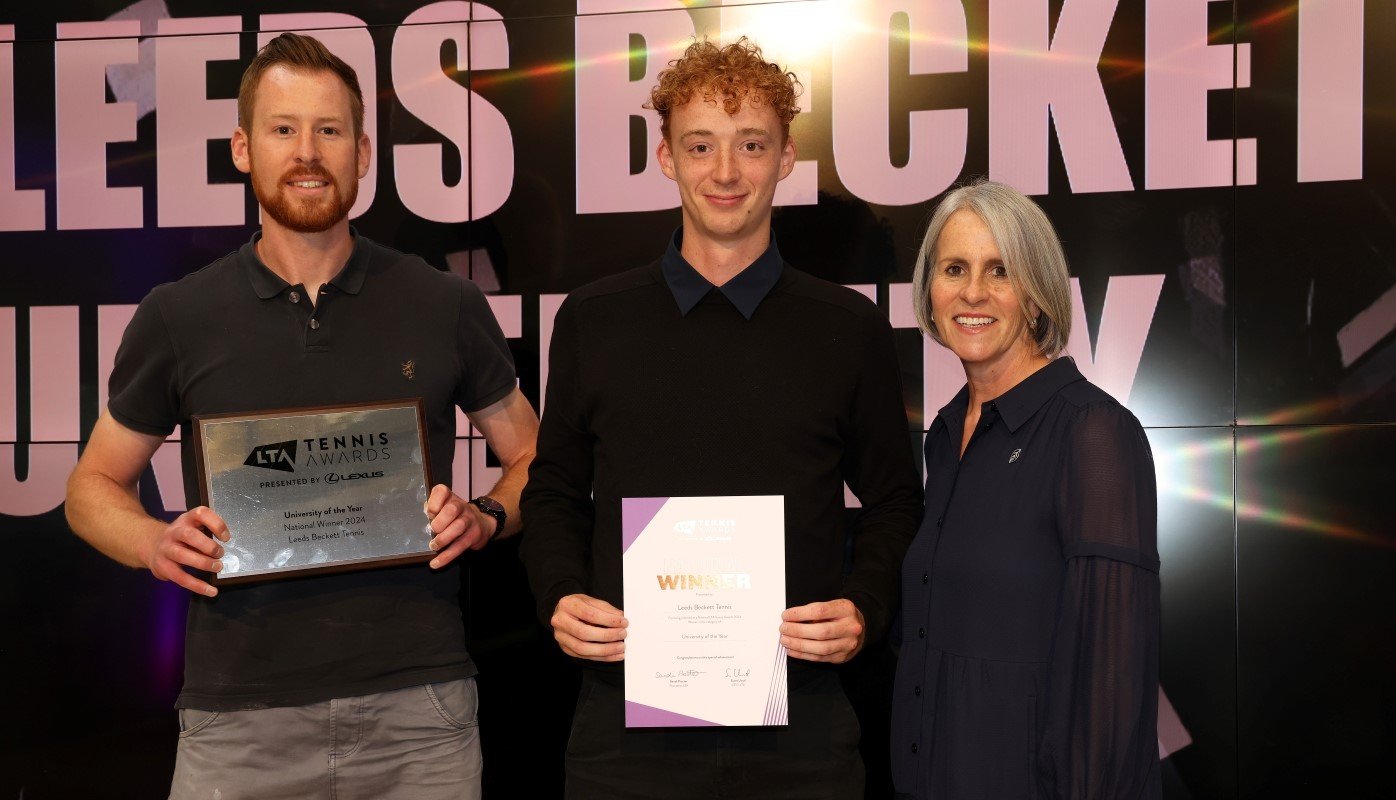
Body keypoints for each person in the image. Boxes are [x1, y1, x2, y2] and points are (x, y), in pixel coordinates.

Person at [63, 33, 539, 800]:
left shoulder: (443, 304)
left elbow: (535, 462)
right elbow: (90, 489)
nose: (308, 152)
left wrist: (485, 516)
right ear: (244, 149)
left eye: (330, 130)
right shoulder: (178, 316)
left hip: (418, 714)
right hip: (237, 724)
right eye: (284, 129)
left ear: (363, 151)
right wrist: (154, 541)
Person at [518, 38, 922, 799]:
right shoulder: (594, 320)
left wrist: (864, 607)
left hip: (800, 729)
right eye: (701, 146)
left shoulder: (846, 328)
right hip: (625, 731)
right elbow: (553, 492)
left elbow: (897, 500)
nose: (727, 172)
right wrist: (560, 595)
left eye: (752, 146)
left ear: (787, 158)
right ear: (666, 156)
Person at [891, 180, 1161, 799]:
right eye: (954, 268)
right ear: (929, 293)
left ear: (1036, 294)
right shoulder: (945, 434)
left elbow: (1112, 685)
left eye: (1000, 271)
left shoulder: (1093, 434)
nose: (973, 292)